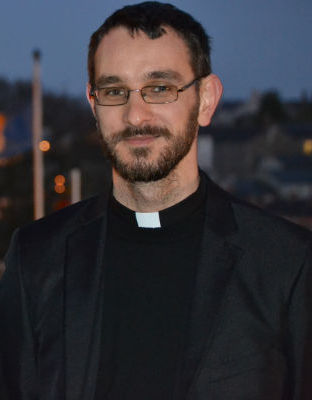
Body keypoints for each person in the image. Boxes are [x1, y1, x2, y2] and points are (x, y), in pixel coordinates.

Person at [1, 2, 312, 399]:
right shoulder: (36, 258)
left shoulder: (286, 264)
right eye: (114, 91)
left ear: (205, 100)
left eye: (160, 88)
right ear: (94, 105)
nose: (135, 115)